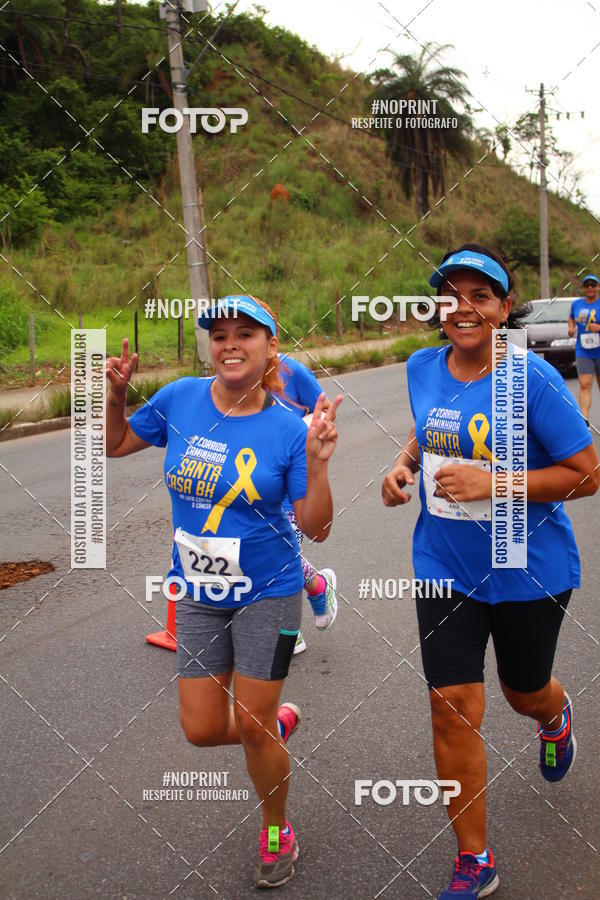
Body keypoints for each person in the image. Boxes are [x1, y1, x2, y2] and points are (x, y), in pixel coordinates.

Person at [381, 244, 599, 899]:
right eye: (452, 294)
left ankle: (553, 715)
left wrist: (495, 483)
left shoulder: (529, 378)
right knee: (452, 709)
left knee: (522, 690)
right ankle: (474, 858)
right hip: (443, 566)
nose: (465, 306)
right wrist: (404, 467)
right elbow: (426, 429)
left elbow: (587, 473)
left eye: (482, 294)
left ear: (505, 308)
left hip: (528, 569)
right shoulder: (422, 366)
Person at [106, 294, 342, 889]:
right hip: (198, 591)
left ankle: (275, 826)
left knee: (253, 724)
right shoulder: (181, 398)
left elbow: (317, 526)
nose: (230, 343)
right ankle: (274, 724)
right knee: (202, 729)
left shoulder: (289, 428)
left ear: (270, 345)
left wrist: (316, 465)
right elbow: (115, 445)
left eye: (245, 333)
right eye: (218, 334)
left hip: (272, 589)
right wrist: (114, 397)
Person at [274, 354, 338, 655]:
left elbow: (323, 411)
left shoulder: (291, 371)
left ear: (270, 338)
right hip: (245, 486)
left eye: (248, 333)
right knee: (253, 552)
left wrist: (305, 431)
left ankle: (288, 630)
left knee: (279, 556)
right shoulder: (232, 378)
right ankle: (318, 586)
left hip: (288, 488)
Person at [568, 274, 600, 427]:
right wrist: (571, 327)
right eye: (587, 285)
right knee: (584, 384)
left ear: (598, 287)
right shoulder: (576, 304)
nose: (590, 288)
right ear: (583, 288)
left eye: (593, 285)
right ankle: (584, 420)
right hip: (584, 350)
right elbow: (571, 318)